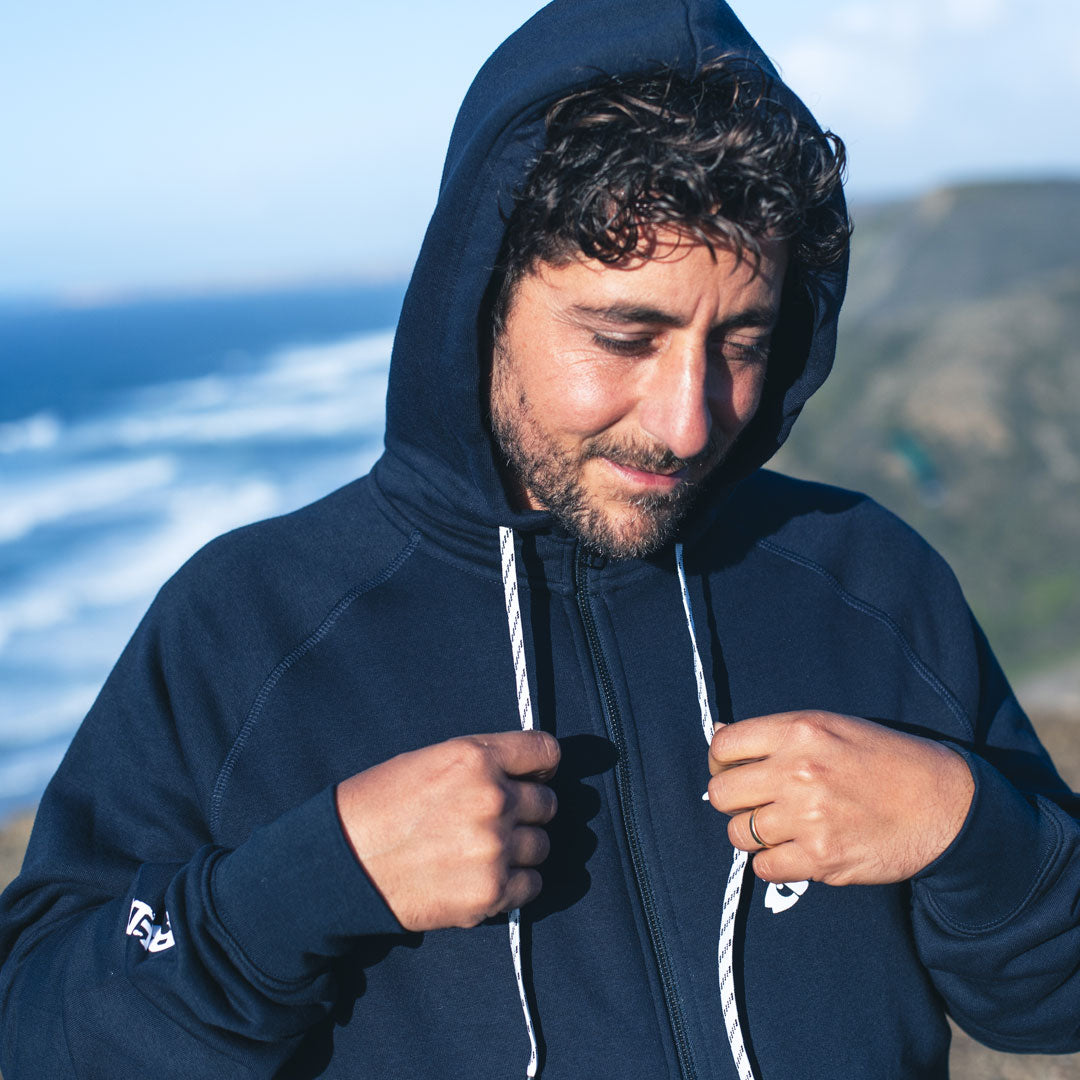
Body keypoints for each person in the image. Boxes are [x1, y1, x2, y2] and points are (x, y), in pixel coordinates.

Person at [2, 1, 1078, 1077]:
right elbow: (38, 1034)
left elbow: (1055, 1004)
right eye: (623, 336)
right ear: (482, 295)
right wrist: (307, 883)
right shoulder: (247, 627)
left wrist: (969, 827)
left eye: (741, 343)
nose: (688, 422)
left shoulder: (868, 577)